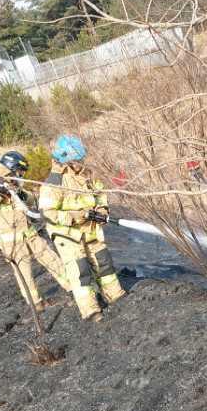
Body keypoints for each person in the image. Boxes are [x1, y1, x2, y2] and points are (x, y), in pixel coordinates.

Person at [39, 135, 126, 321]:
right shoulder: (54, 182)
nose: (80, 163)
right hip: (68, 235)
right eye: (76, 160)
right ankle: (92, 311)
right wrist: (77, 216)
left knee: (104, 263)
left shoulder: (87, 174)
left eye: (80, 159)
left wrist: (102, 208)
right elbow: (48, 214)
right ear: (65, 160)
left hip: (91, 230)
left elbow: (100, 193)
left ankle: (115, 295)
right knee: (81, 272)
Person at [0, 150, 69, 311]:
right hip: (11, 241)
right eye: (19, 171)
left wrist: (20, 192)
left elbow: (31, 199)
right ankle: (37, 303)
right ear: (11, 168)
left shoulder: (13, 183)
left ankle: (71, 287)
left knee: (51, 258)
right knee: (25, 273)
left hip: (29, 233)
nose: (21, 175)